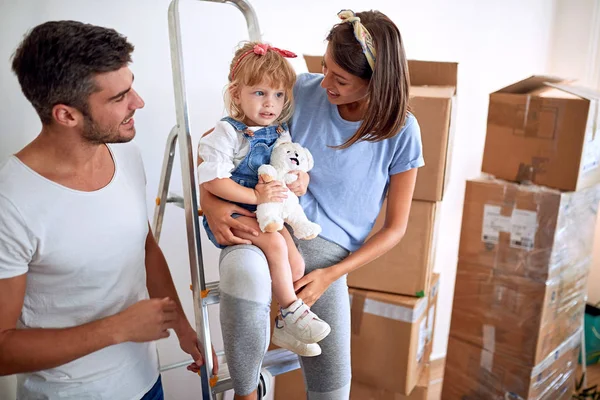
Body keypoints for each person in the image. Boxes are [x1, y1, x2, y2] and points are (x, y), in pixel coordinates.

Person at [200, 9, 423, 400]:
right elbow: (216, 144)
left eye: (340, 79)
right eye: (326, 67)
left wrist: (334, 273)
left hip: (326, 251)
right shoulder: (301, 89)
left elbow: (395, 228)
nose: (326, 84)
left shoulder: (401, 130)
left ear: (376, 82)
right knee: (244, 274)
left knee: (333, 386)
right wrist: (210, 203)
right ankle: (246, 394)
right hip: (266, 222)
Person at [0, 20, 216, 399]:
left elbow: (144, 247)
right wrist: (117, 329)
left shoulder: (125, 156)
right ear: (66, 115)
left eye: (130, 87)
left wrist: (182, 326)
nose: (139, 103)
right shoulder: (10, 203)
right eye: (119, 97)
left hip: (147, 382)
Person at [197, 42, 329, 358]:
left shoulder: (279, 133)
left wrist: (298, 180)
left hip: (266, 211)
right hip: (234, 211)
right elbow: (213, 180)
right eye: (260, 93)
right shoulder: (227, 132)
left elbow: (290, 163)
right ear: (236, 93)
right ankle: (292, 309)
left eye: (278, 95)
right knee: (274, 245)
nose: (270, 103)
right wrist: (254, 195)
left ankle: (284, 326)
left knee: (296, 260)